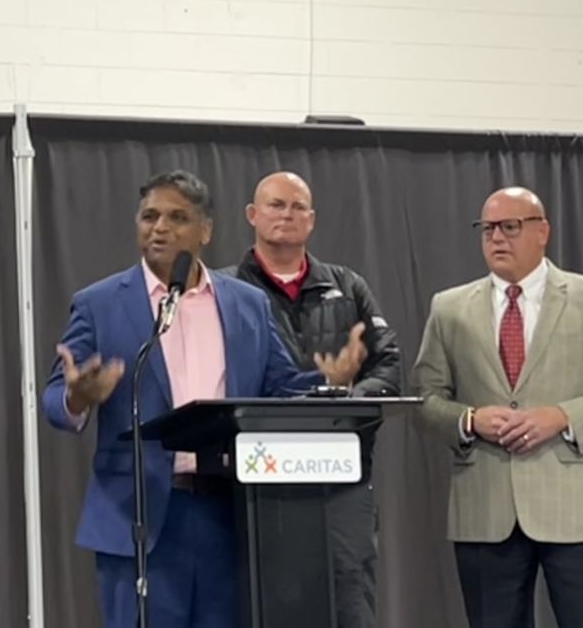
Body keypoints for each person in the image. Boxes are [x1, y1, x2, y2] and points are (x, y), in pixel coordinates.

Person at [42, 169, 367, 628]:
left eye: (177, 217)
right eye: (149, 216)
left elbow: (278, 386)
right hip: (141, 519)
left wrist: (327, 382)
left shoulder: (245, 304)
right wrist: (78, 397)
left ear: (205, 231)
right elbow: (56, 398)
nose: (160, 227)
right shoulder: (99, 303)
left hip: (229, 514)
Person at [411, 186, 583, 628]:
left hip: (580, 510)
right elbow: (425, 399)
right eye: (487, 229)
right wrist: (470, 419)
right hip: (485, 513)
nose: (497, 238)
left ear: (542, 231)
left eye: (510, 226)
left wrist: (563, 416)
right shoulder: (448, 308)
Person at [226, 171, 400, 628]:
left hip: (340, 472)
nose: (287, 215)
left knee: (349, 598)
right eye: (276, 205)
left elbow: (388, 369)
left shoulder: (348, 285)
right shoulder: (227, 292)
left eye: (298, 206)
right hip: (258, 477)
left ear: (313, 219)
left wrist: (343, 398)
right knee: (263, 602)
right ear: (252, 215)